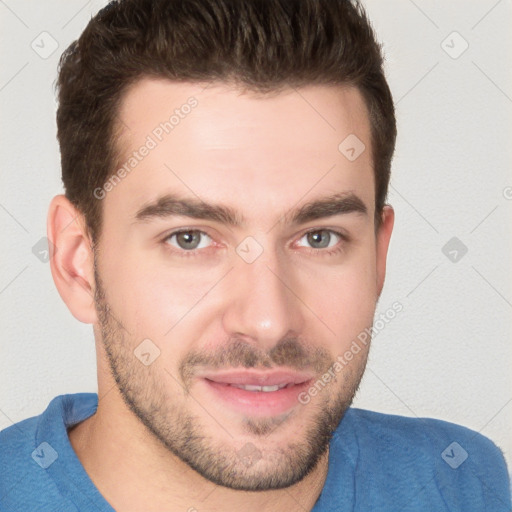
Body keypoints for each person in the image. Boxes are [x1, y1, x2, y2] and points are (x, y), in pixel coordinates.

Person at [0, 0, 510, 510]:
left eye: (319, 238)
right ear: (77, 263)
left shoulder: (462, 482)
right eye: (190, 239)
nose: (268, 321)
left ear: (378, 256)